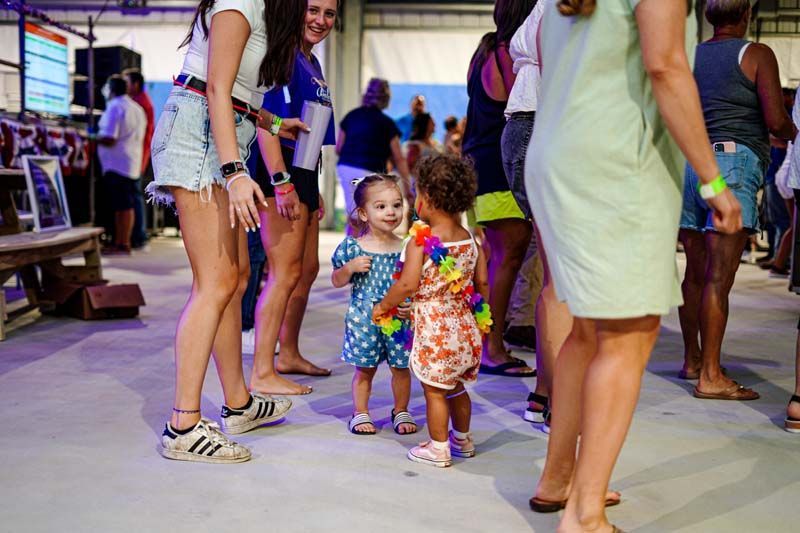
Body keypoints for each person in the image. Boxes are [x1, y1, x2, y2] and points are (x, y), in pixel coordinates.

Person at [526, 1, 742, 530]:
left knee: (589, 329)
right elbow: (665, 64)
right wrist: (713, 180)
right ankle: (585, 515)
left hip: (561, 154)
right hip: (616, 165)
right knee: (630, 335)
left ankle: (560, 480)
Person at [146, 0, 308, 463]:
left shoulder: (270, 8)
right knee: (214, 283)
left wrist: (274, 122)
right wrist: (237, 172)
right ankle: (183, 424)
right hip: (200, 133)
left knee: (235, 279)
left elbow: (236, 93)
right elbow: (214, 86)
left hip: (223, 128)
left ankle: (238, 403)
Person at [678, 0, 796, 400]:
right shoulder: (757, 53)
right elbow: (777, 120)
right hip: (731, 165)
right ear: (745, 15)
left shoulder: (690, 56)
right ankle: (710, 375)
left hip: (692, 166)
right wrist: (793, 131)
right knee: (719, 278)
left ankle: (693, 359)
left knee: (694, 274)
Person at [373, 154, 490, 468]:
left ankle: (438, 448)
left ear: (426, 199)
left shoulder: (420, 243)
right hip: (465, 327)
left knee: (434, 391)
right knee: (456, 388)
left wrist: (384, 305)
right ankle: (462, 440)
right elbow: (481, 283)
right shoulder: (470, 240)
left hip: (435, 329)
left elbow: (408, 285)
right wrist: (481, 323)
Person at [247, 0, 338, 396]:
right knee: (283, 273)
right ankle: (262, 370)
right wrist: (281, 182)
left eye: (330, 14)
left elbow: (310, 130)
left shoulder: (311, 62)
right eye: (313, 10)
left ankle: (289, 353)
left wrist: (310, 186)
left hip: (302, 173)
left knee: (306, 270)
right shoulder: (282, 54)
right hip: (277, 172)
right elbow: (266, 124)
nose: (320, 20)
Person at [462, 0, 536, 378]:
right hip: (498, 167)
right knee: (507, 257)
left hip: (481, 162)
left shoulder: (487, 49)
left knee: (495, 258)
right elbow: (520, 107)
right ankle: (492, 348)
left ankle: (485, 343)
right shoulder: (508, 54)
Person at [498, 0, 560, 427]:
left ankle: (546, 390)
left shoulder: (540, 9)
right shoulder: (556, 7)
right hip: (545, 124)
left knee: (556, 276)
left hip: (526, 125)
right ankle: (554, 391)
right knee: (562, 278)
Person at [331, 174, 416, 435]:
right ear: (364, 214)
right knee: (364, 369)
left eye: (397, 205)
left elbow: (414, 282)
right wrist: (349, 268)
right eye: (380, 206)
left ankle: (401, 410)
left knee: (401, 368)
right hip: (364, 318)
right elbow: (336, 280)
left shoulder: (407, 247)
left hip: (398, 317)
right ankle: (360, 412)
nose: (391, 212)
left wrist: (410, 306)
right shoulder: (353, 247)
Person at [336, 78, 412, 234]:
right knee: (370, 218)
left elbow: (339, 148)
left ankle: (350, 251)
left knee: (355, 215)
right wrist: (408, 185)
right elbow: (399, 158)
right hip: (370, 171)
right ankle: (364, 253)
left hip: (347, 168)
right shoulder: (387, 123)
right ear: (386, 98)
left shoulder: (351, 116)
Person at [96, 75, 146, 255]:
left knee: (121, 207)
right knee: (127, 206)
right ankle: (123, 241)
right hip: (131, 162)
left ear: (111, 89)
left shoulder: (115, 107)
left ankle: (122, 243)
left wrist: (90, 137)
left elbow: (109, 137)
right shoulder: (136, 107)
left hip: (116, 164)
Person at [123, 69, 154, 250]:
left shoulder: (139, 103)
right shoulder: (141, 101)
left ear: (135, 84)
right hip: (140, 155)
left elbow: (144, 135)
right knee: (135, 196)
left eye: (127, 82)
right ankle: (138, 236)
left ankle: (139, 237)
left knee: (135, 197)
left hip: (139, 156)